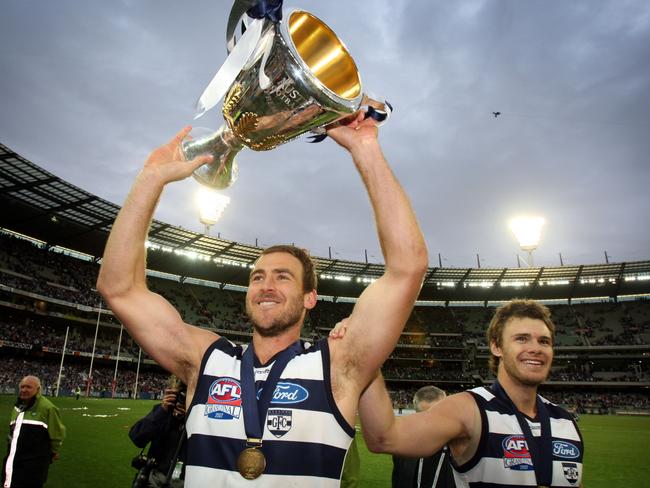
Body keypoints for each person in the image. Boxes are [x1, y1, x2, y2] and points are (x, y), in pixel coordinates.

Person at [96, 114, 428, 487]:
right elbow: (119, 288)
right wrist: (151, 179)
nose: (266, 286)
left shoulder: (337, 366)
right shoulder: (205, 358)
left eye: (282, 277)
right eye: (257, 277)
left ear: (310, 298)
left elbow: (407, 268)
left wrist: (365, 150)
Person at [353, 300, 584, 487]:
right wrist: (365, 352)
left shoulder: (566, 422)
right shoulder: (469, 409)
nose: (535, 348)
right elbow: (383, 438)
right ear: (496, 347)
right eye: (521, 338)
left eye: (544, 341)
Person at [2, 376, 66, 488]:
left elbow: (57, 434)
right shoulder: (18, 407)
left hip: (33, 466)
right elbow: (13, 432)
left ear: (38, 389)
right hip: (12, 461)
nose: (24, 390)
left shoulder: (48, 408)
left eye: (28, 387)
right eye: (22, 386)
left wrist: (54, 451)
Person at [391, 386, 456, 488]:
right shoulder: (404, 448)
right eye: (424, 416)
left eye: (438, 415)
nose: (432, 423)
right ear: (416, 414)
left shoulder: (463, 447)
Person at [129, 377, 187, 488]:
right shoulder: (162, 412)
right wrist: (162, 411)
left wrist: (190, 417)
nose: (182, 400)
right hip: (154, 478)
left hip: (184, 480)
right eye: (180, 395)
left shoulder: (198, 418)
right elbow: (137, 438)